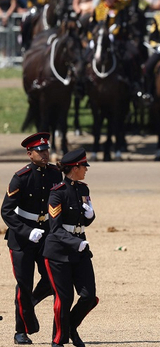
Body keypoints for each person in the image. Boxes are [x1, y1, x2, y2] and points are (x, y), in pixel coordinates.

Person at [1, 133, 62, 345]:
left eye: (46, 150)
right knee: (23, 284)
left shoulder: (55, 174)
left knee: (52, 279)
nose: (45, 154)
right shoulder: (21, 177)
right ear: (30, 154)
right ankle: (20, 331)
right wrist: (27, 231)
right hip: (22, 238)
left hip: (46, 233)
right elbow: (6, 211)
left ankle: (31, 303)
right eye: (40, 151)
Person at [43, 148, 97, 347]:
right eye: (84, 167)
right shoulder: (57, 194)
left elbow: (83, 220)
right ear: (75, 168)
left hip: (80, 250)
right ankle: (58, 340)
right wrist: (76, 242)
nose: (86, 170)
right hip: (58, 252)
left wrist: (90, 216)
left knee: (89, 296)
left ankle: (70, 327)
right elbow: (55, 229)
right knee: (64, 299)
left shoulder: (83, 189)